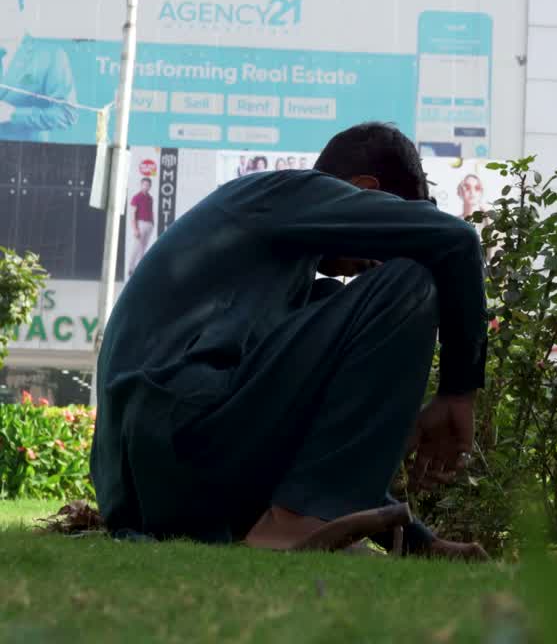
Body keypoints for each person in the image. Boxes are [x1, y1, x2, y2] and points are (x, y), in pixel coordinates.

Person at [90, 122, 489, 560]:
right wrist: (458, 392)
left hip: (148, 488)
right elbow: (457, 240)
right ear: (364, 190)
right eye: (389, 235)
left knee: (332, 301)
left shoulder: (277, 276)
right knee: (410, 284)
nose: (372, 263)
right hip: (182, 427)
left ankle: (296, 521)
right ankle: (293, 523)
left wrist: (421, 543)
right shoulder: (287, 192)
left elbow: (308, 439)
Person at [0, 0, 77, 141]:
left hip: (28, 157)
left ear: (22, 14)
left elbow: (66, 113)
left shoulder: (50, 55)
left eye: (10, 12)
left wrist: (13, 114)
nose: (3, 19)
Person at [127, 177, 155, 277]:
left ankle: (139, 269)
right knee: (136, 247)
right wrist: (135, 228)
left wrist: (152, 222)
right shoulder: (136, 197)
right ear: (141, 185)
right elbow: (133, 213)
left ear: (150, 186)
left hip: (149, 224)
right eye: (144, 184)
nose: (146, 187)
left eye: (148, 185)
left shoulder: (150, 198)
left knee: (143, 248)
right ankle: (131, 268)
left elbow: (150, 211)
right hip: (140, 223)